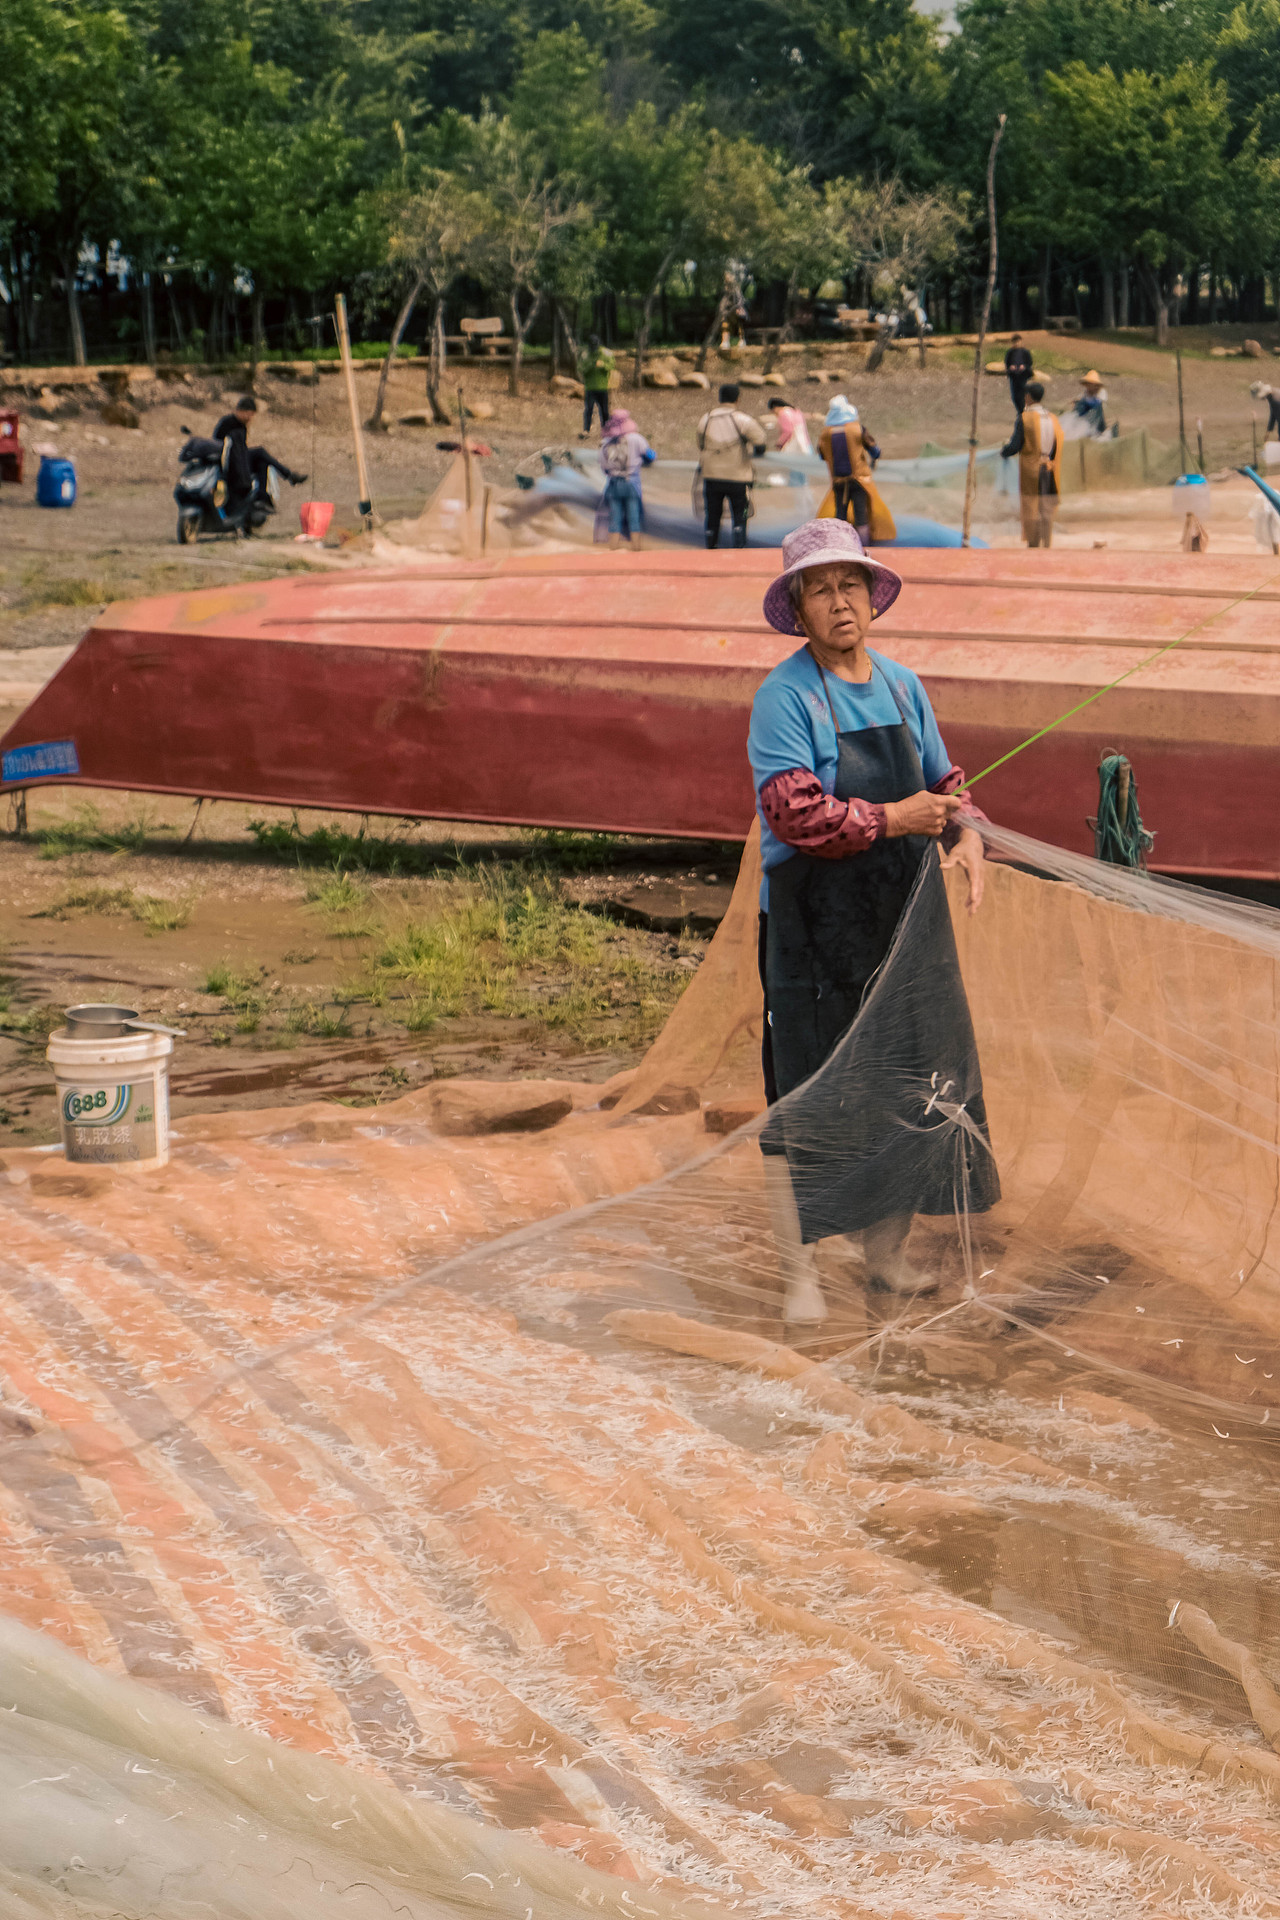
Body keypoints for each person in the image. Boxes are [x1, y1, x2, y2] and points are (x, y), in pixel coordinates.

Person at [747, 518, 998, 1321]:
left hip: (901, 923)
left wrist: (966, 834)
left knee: (904, 1083)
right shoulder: (784, 698)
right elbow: (795, 814)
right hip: (814, 933)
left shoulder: (901, 686)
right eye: (819, 590)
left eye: (849, 584)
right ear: (798, 609)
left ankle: (885, 1257)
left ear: (872, 595)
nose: (838, 602)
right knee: (809, 1095)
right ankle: (799, 1276)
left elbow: (945, 786)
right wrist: (896, 819)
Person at [815, 396, 895, 544]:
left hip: (838, 480)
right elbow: (875, 451)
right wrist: (873, 457)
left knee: (840, 513)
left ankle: (840, 543)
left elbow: (822, 455)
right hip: (859, 479)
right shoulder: (857, 429)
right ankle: (862, 544)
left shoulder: (825, 434)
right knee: (861, 514)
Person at [696, 383, 766, 549]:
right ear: (737, 399)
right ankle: (738, 548)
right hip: (738, 477)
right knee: (740, 515)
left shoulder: (706, 419)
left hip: (711, 476)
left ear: (719, 398)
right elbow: (760, 441)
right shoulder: (742, 420)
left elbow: (701, 444)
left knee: (713, 514)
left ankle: (711, 546)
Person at [1001, 381, 1062, 548]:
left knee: (1031, 505)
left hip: (1031, 469)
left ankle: (1033, 543)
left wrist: (1004, 451)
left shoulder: (1025, 418)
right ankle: (1047, 542)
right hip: (1049, 467)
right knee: (1046, 506)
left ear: (1028, 397)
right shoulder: (1052, 418)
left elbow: (1015, 446)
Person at [212, 397, 304, 508]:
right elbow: (218, 445)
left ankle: (262, 497)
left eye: (252, 415)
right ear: (240, 411)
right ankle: (289, 475)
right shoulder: (226, 423)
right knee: (260, 452)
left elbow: (243, 448)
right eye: (248, 414)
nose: (250, 418)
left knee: (262, 462)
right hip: (230, 462)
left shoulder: (242, 426)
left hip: (241, 461)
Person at [599, 408, 654, 550]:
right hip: (631, 483)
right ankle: (636, 547)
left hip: (613, 484)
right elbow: (650, 455)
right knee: (634, 516)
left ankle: (613, 547)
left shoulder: (605, 442)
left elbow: (603, 466)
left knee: (614, 517)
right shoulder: (636, 438)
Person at [578, 335, 615, 437]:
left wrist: (603, 365)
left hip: (602, 387)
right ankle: (586, 430)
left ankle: (606, 430)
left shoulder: (606, 353)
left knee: (604, 410)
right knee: (588, 409)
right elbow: (581, 369)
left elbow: (612, 366)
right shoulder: (585, 355)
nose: (594, 348)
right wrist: (591, 365)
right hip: (590, 387)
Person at [1067, 370, 1108, 437]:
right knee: (1079, 405)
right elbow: (1081, 398)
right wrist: (1075, 401)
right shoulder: (1086, 392)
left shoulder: (1101, 392)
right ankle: (1076, 427)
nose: (1088, 386)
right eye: (1087, 383)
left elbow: (1101, 403)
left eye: (1090, 384)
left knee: (1096, 407)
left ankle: (1096, 431)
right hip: (1086, 413)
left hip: (1097, 414)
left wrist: (1094, 398)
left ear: (1095, 384)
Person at [1004, 334, 1034, 414]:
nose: (1016, 344)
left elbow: (1030, 362)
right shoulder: (1010, 352)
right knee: (1015, 395)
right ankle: (1020, 411)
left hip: (1023, 376)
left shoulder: (1025, 352)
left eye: (1018, 342)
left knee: (1023, 393)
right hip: (1014, 376)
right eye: (1015, 342)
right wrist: (1010, 367)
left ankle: (1024, 410)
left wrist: (1024, 366)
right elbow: (1007, 363)